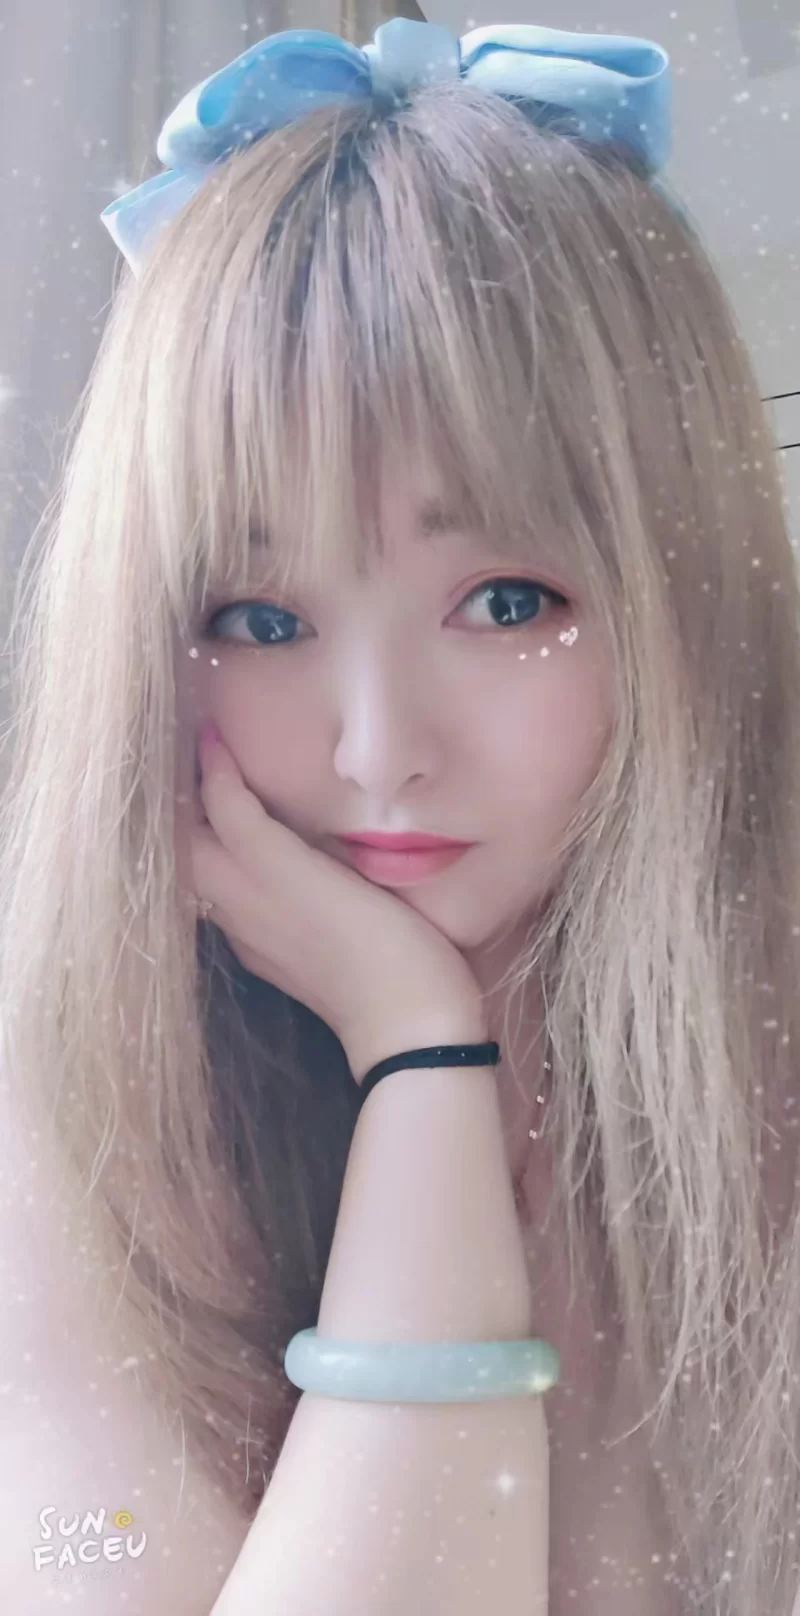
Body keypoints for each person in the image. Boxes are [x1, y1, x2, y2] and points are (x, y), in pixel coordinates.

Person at [0, 16, 798, 1615]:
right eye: (260, 618)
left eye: (506, 601)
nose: (378, 752)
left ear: (685, 595)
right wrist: (422, 1062)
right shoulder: (76, 1097)